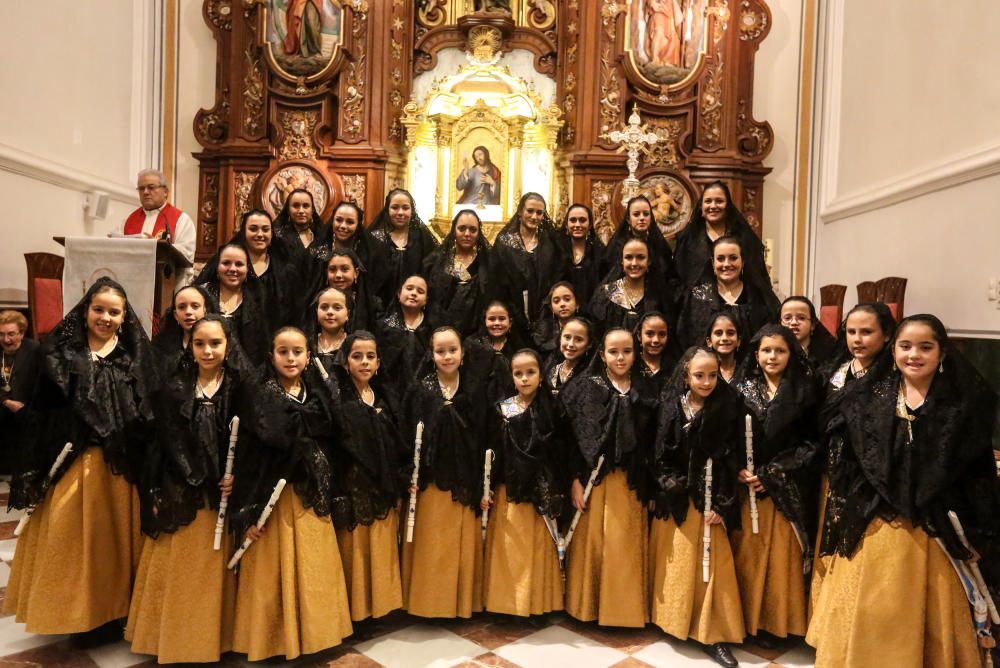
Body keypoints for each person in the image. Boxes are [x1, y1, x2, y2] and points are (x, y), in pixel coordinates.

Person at [808, 315, 998, 667]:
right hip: (877, 517)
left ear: (941, 353)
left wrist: (975, 529)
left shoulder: (963, 405)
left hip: (936, 522)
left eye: (925, 347)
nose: (914, 355)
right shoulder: (867, 398)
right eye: (905, 346)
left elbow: (977, 473)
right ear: (893, 349)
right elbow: (852, 464)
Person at [5, 278, 155, 646]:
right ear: (86, 310)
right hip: (72, 460)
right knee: (75, 543)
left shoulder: (133, 356)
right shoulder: (59, 353)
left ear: (124, 317)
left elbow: (147, 410)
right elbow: (44, 411)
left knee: (115, 544)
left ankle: (116, 612)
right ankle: (78, 615)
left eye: (114, 311)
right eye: (99, 309)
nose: (105, 317)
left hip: (119, 465)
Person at [126, 315, 267, 663]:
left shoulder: (241, 387)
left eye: (215, 343)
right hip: (185, 487)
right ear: (189, 345)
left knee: (215, 569)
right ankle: (176, 638)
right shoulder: (174, 387)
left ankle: (214, 638)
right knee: (183, 565)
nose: (207, 350)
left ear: (228, 346)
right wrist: (194, 473)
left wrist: (237, 477)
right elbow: (168, 442)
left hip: (224, 490)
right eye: (200, 343)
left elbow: (253, 440)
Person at [230, 327, 352, 660]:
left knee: (314, 564)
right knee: (272, 570)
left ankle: (316, 635)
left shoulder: (317, 395)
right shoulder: (260, 394)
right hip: (272, 492)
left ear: (308, 356)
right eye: (283, 351)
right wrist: (247, 508)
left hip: (309, 489)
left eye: (298, 351)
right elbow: (250, 455)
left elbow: (331, 438)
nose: (291, 358)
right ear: (271, 356)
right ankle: (272, 641)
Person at [648, 346, 746, 668]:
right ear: (686, 375)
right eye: (699, 375)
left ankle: (710, 633)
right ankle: (672, 621)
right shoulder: (672, 405)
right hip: (677, 498)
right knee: (674, 563)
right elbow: (660, 452)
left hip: (710, 499)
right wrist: (671, 485)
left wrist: (722, 502)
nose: (706, 382)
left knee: (712, 569)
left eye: (713, 375)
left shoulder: (728, 407)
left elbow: (733, 461)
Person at [731, 324, 822, 646]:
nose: (772, 356)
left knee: (782, 559)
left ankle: (775, 623)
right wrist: (739, 469)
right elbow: (726, 438)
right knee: (747, 554)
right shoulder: (739, 388)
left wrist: (774, 473)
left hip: (786, 486)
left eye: (780, 351)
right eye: (766, 350)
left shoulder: (806, 389)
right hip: (746, 488)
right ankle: (744, 621)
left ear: (791, 354)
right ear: (755, 354)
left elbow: (813, 442)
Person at [560, 327, 657, 628]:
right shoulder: (585, 388)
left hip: (629, 485)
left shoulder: (647, 392)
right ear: (602, 354)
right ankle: (586, 608)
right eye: (613, 351)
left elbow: (654, 443)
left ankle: (622, 611)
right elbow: (569, 440)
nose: (620, 357)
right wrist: (575, 479)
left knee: (623, 547)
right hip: (593, 483)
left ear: (635, 353)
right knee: (594, 546)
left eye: (627, 351)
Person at [401, 327, 490, 618]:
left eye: (453, 350)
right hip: (430, 482)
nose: (447, 356)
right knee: (432, 545)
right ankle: (427, 603)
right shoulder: (420, 390)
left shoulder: (475, 389)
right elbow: (406, 434)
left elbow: (482, 436)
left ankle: (460, 604)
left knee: (458, 545)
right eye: (440, 351)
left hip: (465, 480)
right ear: (432, 354)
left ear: (462, 354)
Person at [482, 349, 568, 616]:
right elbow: (493, 451)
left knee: (537, 549)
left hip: (540, 490)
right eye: (518, 374)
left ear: (541, 376)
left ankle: (537, 604)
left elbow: (560, 450)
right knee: (511, 549)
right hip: (510, 488)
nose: (525, 378)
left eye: (530, 372)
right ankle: (506, 604)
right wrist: (487, 486)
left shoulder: (552, 408)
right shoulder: (503, 409)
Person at [332, 331, 408, 622]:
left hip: (383, 483)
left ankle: (382, 608)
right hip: (352, 484)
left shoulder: (386, 396)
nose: (364, 362)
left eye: (370, 356)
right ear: (346, 361)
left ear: (378, 362)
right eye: (357, 356)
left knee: (381, 544)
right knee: (356, 549)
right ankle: (357, 612)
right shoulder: (338, 398)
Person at [677, 236, 779, 349]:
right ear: (712, 263)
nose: (726, 264)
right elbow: (687, 337)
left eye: (733, 258)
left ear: (743, 261)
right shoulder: (698, 296)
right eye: (720, 259)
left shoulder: (758, 296)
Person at [490, 193, 568, 336]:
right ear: (520, 212)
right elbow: (495, 279)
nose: (534, 216)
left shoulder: (549, 243)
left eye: (539, 213)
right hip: (511, 312)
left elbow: (557, 275)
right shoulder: (504, 243)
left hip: (543, 313)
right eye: (530, 211)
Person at [674, 181, 768, 289]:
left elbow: (756, 277)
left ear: (728, 205)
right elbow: (678, 279)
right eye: (708, 201)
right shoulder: (687, 239)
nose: (713, 206)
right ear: (701, 206)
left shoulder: (743, 237)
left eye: (719, 201)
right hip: (696, 303)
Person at [232, 208, 309, 332]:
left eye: (265, 229)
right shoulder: (231, 269)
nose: (260, 234)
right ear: (243, 233)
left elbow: (297, 314)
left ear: (272, 234)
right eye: (253, 229)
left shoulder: (287, 271)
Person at [195, 242, 271, 364]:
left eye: (239, 264)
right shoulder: (200, 296)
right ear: (217, 267)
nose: (232, 269)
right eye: (226, 263)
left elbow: (261, 346)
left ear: (247, 269)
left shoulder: (258, 300)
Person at [119, 169, 196, 284]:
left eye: (151, 187)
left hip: (167, 282)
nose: (145, 192)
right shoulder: (128, 221)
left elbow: (187, 253)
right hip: (133, 281)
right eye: (141, 188)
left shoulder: (181, 219)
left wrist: (160, 246)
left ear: (165, 191)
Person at [424, 209, 492, 338]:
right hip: (444, 329)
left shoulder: (488, 261)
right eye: (462, 228)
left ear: (479, 233)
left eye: (473, 229)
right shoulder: (438, 260)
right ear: (454, 230)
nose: (467, 234)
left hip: (479, 332)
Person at [590, 238, 677, 337]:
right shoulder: (607, 294)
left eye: (640, 257)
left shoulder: (659, 295)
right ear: (621, 261)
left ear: (649, 261)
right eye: (629, 257)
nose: (634, 263)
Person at [370, 189, 439, 304]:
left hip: (415, 305)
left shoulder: (422, 237)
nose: (400, 212)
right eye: (395, 207)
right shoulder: (375, 238)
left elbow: (438, 264)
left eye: (405, 208)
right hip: (380, 307)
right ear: (387, 209)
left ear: (412, 210)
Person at [313, 201, 389, 300]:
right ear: (332, 221)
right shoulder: (318, 251)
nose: (343, 226)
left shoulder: (370, 253)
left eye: (350, 222)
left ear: (358, 225)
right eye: (339, 220)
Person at [375, 275, 434, 396]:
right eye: (409, 288)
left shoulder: (433, 329)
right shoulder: (382, 326)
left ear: (426, 300)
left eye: (420, 291)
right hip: (389, 392)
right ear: (398, 294)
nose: (414, 293)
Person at [600, 195, 679, 283]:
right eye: (636, 214)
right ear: (628, 220)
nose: (642, 218)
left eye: (646, 214)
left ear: (651, 218)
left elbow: (670, 277)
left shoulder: (659, 245)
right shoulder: (617, 246)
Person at [0, 310, 38, 473]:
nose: (6, 340)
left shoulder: (35, 351)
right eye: (1, 334)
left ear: (22, 333)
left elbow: (41, 385)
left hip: (27, 412)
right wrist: (5, 401)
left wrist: (25, 407)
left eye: (11, 334)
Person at [151, 285, 218, 377]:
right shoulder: (161, 347)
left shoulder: (220, 342)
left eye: (195, 306)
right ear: (175, 315)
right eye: (182, 307)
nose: (188, 312)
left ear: (205, 310)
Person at [321, 248, 383, 333]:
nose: (338, 275)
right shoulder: (318, 301)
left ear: (356, 273)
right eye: (332, 269)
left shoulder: (372, 304)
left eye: (345, 269)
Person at [559, 203, 605, 307]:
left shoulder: (599, 253)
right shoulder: (557, 251)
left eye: (582, 220)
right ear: (566, 224)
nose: (577, 225)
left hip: (591, 311)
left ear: (590, 225)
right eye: (573, 220)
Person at [779, 296, 838, 371]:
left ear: (812, 324)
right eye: (787, 318)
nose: (794, 322)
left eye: (801, 318)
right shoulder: (773, 354)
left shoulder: (829, 356)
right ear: (780, 323)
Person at [542, 316, 594, 395]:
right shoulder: (549, 369)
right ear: (560, 338)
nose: (571, 344)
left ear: (589, 344)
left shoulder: (592, 376)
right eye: (567, 337)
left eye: (579, 339)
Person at [308, 286, 350, 375]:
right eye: (324, 307)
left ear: (348, 314)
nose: (330, 312)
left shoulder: (354, 345)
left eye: (337, 308)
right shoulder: (307, 344)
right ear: (317, 312)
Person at [634, 311, 678, 393]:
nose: (656, 340)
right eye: (649, 334)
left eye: (662, 334)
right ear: (639, 336)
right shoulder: (631, 366)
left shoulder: (675, 369)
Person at [532, 281, 581, 354]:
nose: (562, 304)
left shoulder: (586, 328)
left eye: (567, 299)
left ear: (577, 304)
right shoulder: (543, 332)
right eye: (556, 301)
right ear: (551, 308)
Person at [272, 188, 327, 252]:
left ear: (312, 210)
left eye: (306, 206)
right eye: (296, 206)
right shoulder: (277, 237)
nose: (301, 211)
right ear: (288, 210)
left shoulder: (322, 236)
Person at [704, 312, 743, 383]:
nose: (724, 338)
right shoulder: (702, 372)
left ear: (738, 341)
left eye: (730, 333)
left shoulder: (746, 372)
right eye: (718, 333)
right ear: (709, 341)